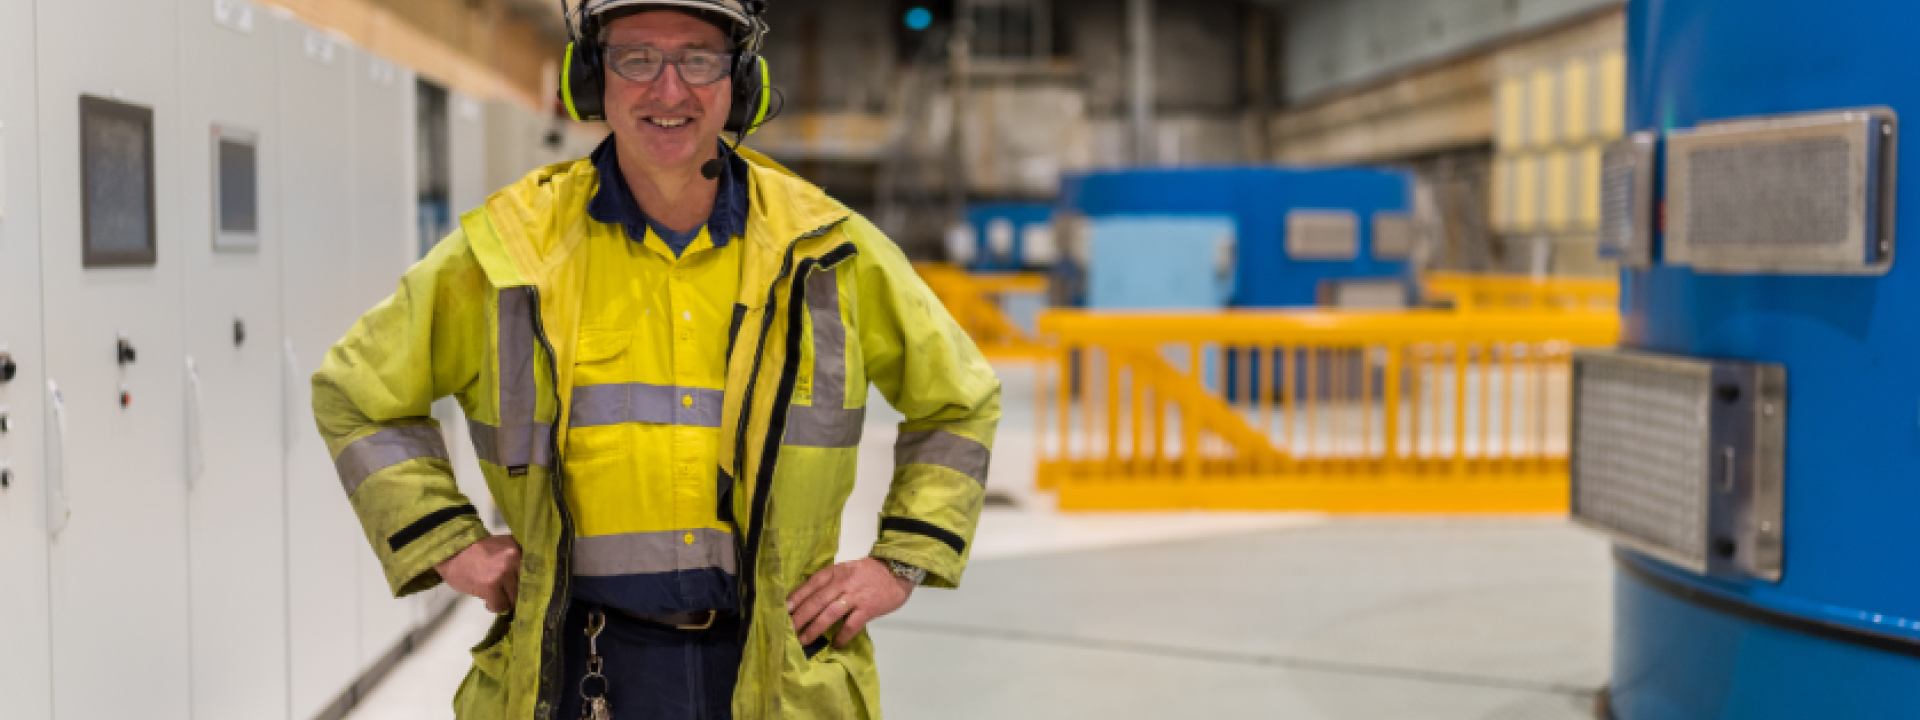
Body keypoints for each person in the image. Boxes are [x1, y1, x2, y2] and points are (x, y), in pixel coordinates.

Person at [310, 0, 1000, 717]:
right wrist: (450, 542)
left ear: (741, 81)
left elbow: (961, 398)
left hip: (775, 673)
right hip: (578, 673)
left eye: (698, 59)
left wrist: (900, 561)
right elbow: (355, 393)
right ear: (592, 78)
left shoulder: (826, 249)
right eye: (636, 57)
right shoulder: (513, 252)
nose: (668, 90)